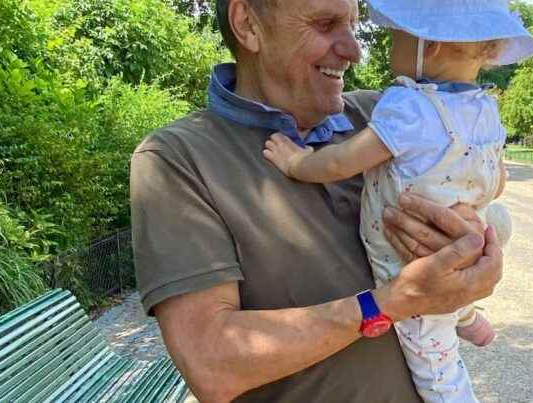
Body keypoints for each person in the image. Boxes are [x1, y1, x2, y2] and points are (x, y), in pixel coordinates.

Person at [129, 0, 504, 402]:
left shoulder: (383, 118)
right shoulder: (178, 159)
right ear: (247, 24)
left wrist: (474, 255)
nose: (354, 50)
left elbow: (476, 194)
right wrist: (386, 305)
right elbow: (213, 365)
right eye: (325, 24)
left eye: (352, 24)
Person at [263, 2, 533, 401]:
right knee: (497, 219)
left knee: (437, 368)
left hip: (410, 266)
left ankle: (458, 330)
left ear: (433, 45)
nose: (385, 49)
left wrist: (297, 162)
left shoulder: (408, 106)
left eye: (398, 37)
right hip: (468, 241)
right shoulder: (485, 109)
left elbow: (342, 161)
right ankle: (466, 315)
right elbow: (496, 184)